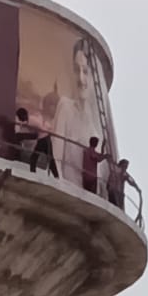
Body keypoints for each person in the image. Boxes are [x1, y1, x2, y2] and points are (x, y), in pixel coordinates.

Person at [52, 37, 103, 187]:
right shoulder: (65, 107)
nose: (81, 79)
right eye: (76, 70)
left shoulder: (96, 132)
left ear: (95, 79)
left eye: (86, 71)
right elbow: (56, 161)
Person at [12, 107, 59, 177]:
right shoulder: (30, 120)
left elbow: (38, 131)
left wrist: (23, 135)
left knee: (34, 158)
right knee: (49, 159)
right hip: (45, 139)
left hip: (43, 139)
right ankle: (56, 176)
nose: (20, 119)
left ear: (23, 116)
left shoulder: (31, 121)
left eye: (20, 117)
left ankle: (33, 175)